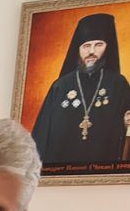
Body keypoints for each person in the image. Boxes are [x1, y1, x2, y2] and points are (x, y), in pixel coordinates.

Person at [30, 11, 130, 172]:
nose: (91, 51)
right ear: (78, 49)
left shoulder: (118, 85)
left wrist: (125, 124)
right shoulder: (60, 86)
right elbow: (41, 136)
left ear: (108, 47)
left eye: (98, 44)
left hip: (103, 172)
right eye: (86, 46)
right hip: (60, 173)